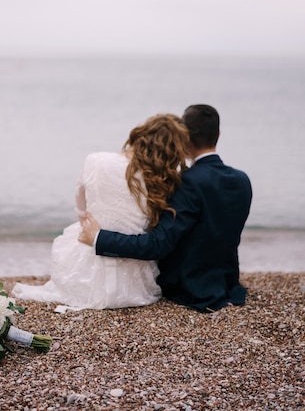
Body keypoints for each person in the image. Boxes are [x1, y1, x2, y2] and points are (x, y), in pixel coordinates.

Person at [79, 105, 252, 312]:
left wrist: (99, 237)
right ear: (218, 134)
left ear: (184, 138)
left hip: (189, 287)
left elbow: (157, 245)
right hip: (228, 283)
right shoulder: (242, 180)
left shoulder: (187, 182)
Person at [12, 113, 189, 309]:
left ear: (140, 135)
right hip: (135, 285)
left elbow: (81, 209)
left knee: (77, 233)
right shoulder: (163, 181)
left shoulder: (96, 161)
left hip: (87, 276)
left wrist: (93, 228)